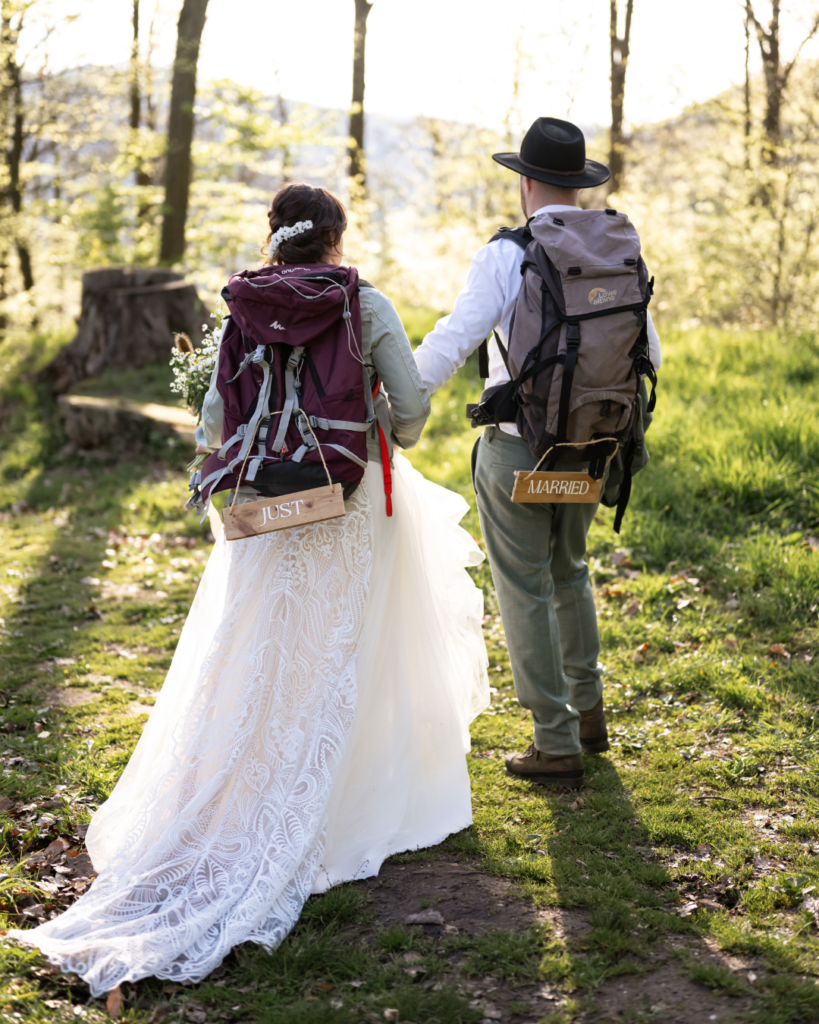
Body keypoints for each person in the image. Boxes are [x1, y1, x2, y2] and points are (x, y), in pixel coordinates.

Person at [12, 182, 489, 996]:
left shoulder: (243, 306)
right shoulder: (361, 302)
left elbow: (212, 424)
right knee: (348, 645)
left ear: (275, 236)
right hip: (346, 500)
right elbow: (408, 409)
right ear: (336, 238)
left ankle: (238, 779)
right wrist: (385, 427)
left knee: (265, 644)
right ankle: (342, 792)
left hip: (267, 504)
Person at [414, 117, 661, 790]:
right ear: (577, 185)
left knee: (524, 587)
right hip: (594, 446)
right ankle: (587, 714)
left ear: (524, 181)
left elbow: (454, 337)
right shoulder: (618, 247)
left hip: (519, 449)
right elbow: (650, 353)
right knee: (570, 571)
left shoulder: (508, 253)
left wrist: (396, 396)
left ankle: (553, 743)